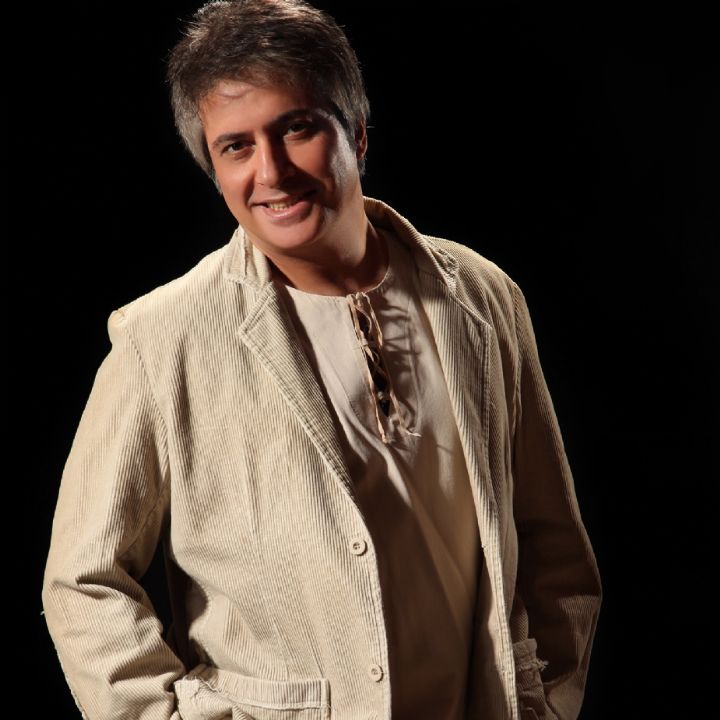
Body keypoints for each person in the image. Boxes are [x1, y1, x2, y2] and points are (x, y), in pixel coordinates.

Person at [41, 1, 602, 719]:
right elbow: (83, 582)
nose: (270, 172)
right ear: (213, 168)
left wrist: (545, 704)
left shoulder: (484, 296)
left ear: (357, 134)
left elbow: (554, 546)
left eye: (296, 129)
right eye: (235, 147)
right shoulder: (162, 339)